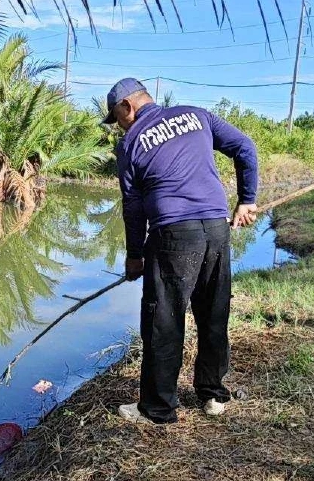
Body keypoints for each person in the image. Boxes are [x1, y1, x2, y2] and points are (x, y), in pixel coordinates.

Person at [105, 78, 259, 424]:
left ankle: (157, 408)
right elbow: (245, 147)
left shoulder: (130, 143)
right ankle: (213, 395)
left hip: (174, 235)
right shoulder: (197, 115)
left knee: (164, 320)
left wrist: (135, 256)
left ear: (127, 107)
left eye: (117, 118)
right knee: (213, 312)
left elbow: (133, 206)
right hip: (216, 229)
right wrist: (247, 200)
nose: (119, 126)